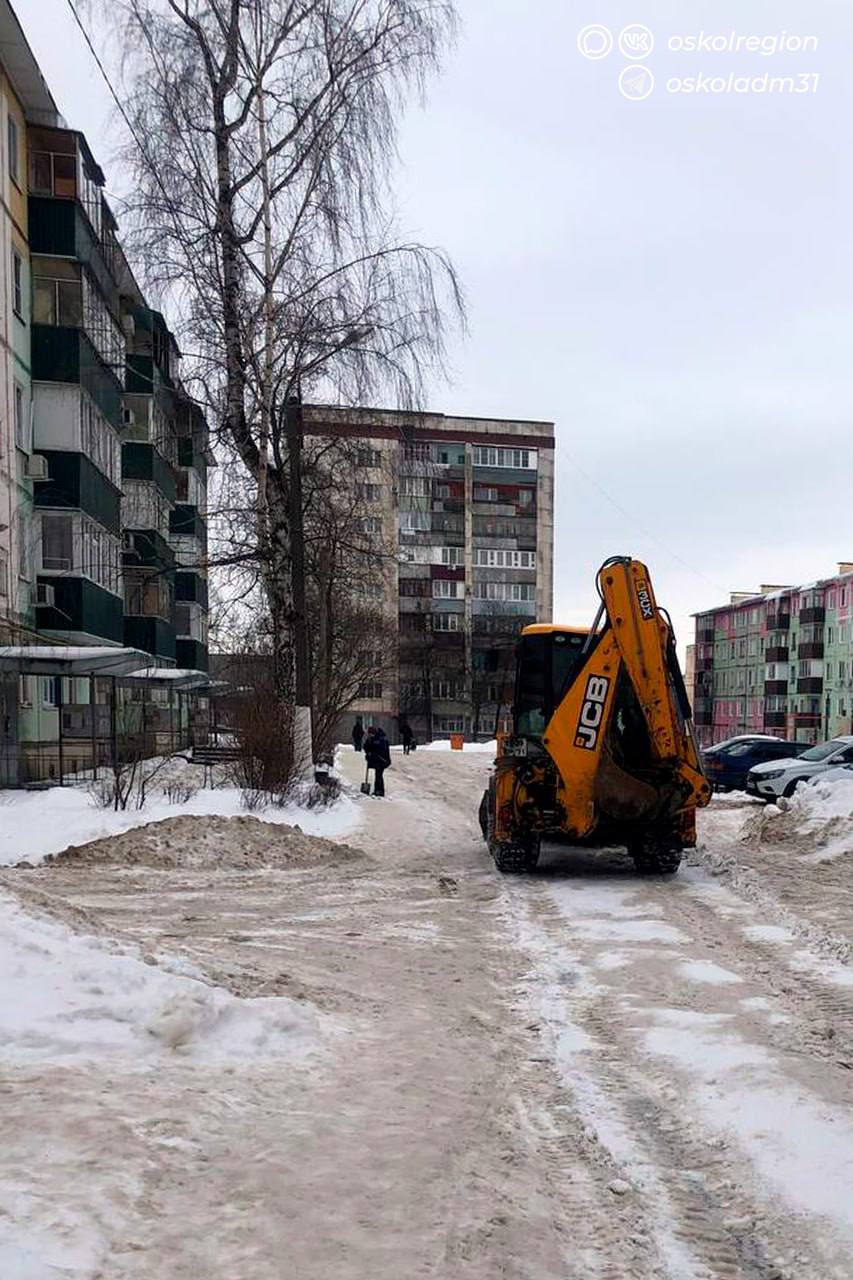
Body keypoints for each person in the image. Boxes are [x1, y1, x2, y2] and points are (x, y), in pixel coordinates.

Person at [364, 725, 391, 797]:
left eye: (370, 734)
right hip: (376, 760)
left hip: (382, 760)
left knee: (378, 775)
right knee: (378, 774)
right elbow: (366, 747)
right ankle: (377, 790)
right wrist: (368, 752)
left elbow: (381, 750)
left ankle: (380, 791)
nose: (369, 735)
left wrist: (372, 753)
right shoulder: (371, 739)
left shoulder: (382, 739)